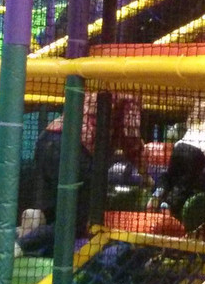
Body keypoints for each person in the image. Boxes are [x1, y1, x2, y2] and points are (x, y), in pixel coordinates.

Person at [17, 91, 142, 256]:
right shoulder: (129, 91)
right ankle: (22, 245)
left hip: (47, 138)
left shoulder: (94, 83)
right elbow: (130, 135)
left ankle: (40, 219)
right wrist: (143, 169)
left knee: (60, 206)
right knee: (76, 221)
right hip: (74, 148)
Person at [148, 99, 205, 219]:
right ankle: (168, 205)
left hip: (179, 148)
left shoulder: (195, 126)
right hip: (196, 154)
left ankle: (159, 191)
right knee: (184, 184)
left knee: (171, 175)